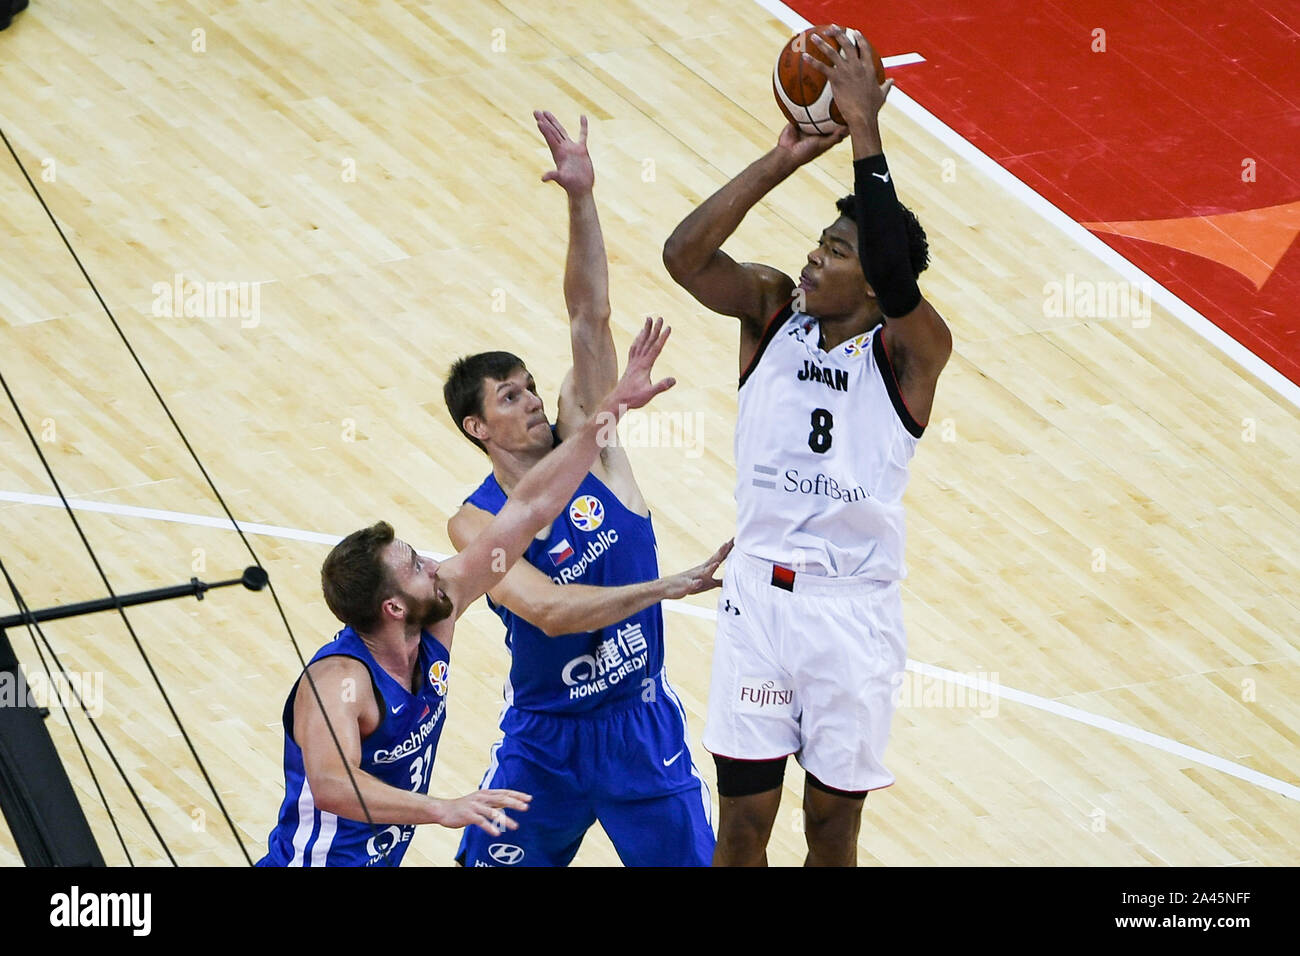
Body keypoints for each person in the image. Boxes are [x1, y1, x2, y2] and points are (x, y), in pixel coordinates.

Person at [662, 26, 953, 867]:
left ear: (873, 281)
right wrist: (784, 156)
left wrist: (867, 128)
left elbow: (902, 282)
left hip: (850, 616)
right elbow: (685, 256)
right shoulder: (771, 313)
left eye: (834, 252)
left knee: (830, 831)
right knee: (742, 831)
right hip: (758, 602)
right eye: (819, 244)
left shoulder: (910, 352)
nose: (811, 260)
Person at [258, 317, 676, 867]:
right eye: (414, 566)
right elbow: (333, 785)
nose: (433, 564)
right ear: (393, 607)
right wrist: (443, 809)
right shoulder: (339, 681)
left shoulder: (436, 614)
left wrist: (609, 412)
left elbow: (526, 510)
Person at [441, 111, 724, 867]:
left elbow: (587, 316)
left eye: (530, 387)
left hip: (637, 728)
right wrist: (663, 587)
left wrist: (581, 197)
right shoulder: (474, 525)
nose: (533, 400)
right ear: (477, 427)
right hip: (546, 741)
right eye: (509, 396)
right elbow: (547, 612)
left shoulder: (590, 441)